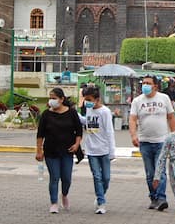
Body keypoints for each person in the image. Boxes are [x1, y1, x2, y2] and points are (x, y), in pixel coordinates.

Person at [129, 75, 175, 211]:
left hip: (162, 141)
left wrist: (174, 135)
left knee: (160, 171)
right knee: (150, 173)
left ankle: (162, 198)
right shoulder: (137, 101)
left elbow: (171, 117)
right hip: (144, 142)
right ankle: (154, 197)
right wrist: (133, 135)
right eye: (143, 83)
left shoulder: (164, 98)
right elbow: (132, 119)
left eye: (148, 83)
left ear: (155, 86)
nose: (145, 85)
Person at [36, 87, 83, 214]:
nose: (51, 101)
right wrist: (39, 151)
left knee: (66, 177)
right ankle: (54, 202)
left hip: (67, 151)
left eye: (54, 98)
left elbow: (79, 130)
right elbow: (40, 134)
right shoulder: (46, 114)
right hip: (51, 151)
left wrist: (77, 144)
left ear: (62, 99)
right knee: (54, 177)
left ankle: (65, 195)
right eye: (50, 98)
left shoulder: (72, 113)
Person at [78, 85, 116, 214]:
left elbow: (109, 131)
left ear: (97, 99)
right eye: (85, 99)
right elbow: (87, 122)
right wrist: (77, 116)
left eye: (89, 99)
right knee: (97, 176)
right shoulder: (89, 110)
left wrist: (112, 151)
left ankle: (101, 195)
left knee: (106, 178)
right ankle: (101, 202)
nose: (87, 102)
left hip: (104, 150)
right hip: (91, 150)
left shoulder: (104, 112)